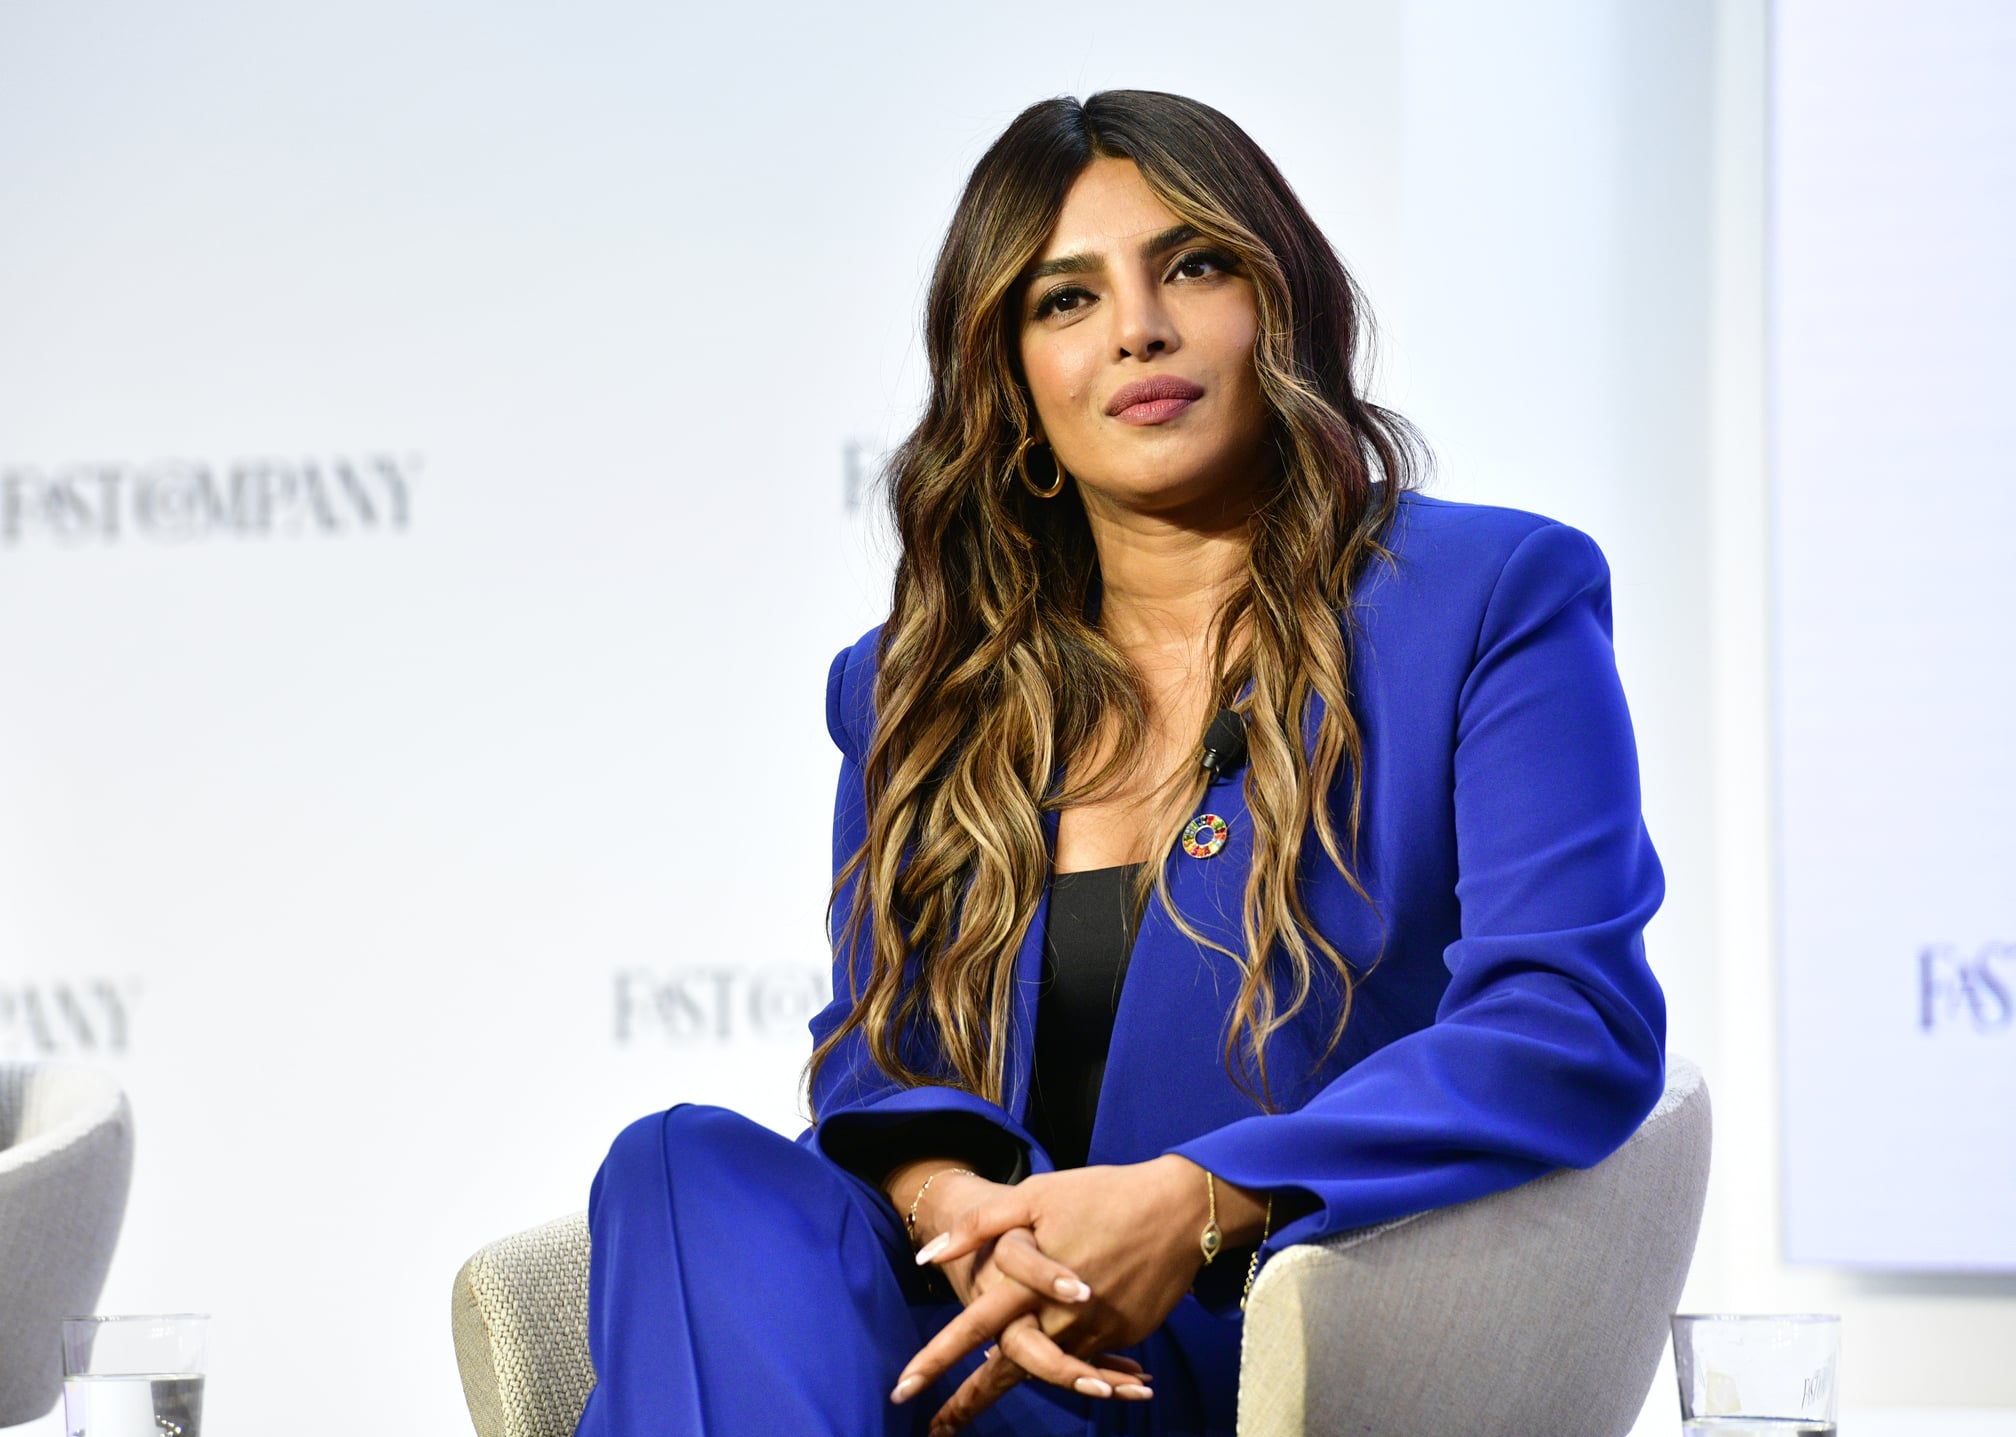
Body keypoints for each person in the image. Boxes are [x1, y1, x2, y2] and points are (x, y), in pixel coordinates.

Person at [573, 90, 1665, 1437]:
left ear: (1281, 301)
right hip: (960, 1330)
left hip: (1229, 1345)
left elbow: (1568, 1021)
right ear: (1012, 380)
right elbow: (873, 1056)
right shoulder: (915, 684)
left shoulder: (1487, 597)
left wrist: (1198, 1195)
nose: (1138, 326)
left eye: (1192, 264)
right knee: (678, 1162)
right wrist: (950, 1203)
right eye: (1065, 299)